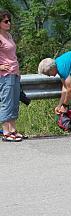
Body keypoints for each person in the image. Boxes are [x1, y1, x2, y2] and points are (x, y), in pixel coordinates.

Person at [0, 10, 22, 142]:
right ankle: (6, 132)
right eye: (5, 21)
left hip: (14, 73)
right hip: (5, 75)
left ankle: (13, 129)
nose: (9, 23)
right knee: (7, 102)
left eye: (9, 20)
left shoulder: (8, 35)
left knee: (14, 103)